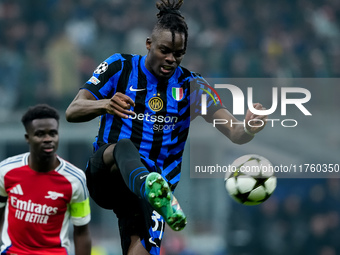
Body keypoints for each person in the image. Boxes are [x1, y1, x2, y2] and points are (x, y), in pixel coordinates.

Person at [65, 0, 267, 254]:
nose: (171, 59)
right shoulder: (120, 67)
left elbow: (235, 132)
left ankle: (154, 191)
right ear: (149, 44)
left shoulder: (193, 86)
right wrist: (105, 104)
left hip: (154, 194)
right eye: (164, 50)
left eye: (178, 53)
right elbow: (73, 111)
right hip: (107, 176)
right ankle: (149, 186)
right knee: (125, 146)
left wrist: (248, 127)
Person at [0, 104, 91, 255]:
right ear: (27, 138)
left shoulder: (76, 180)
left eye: (53, 133)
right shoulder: (6, 171)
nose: (48, 139)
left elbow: (82, 231)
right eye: (40, 134)